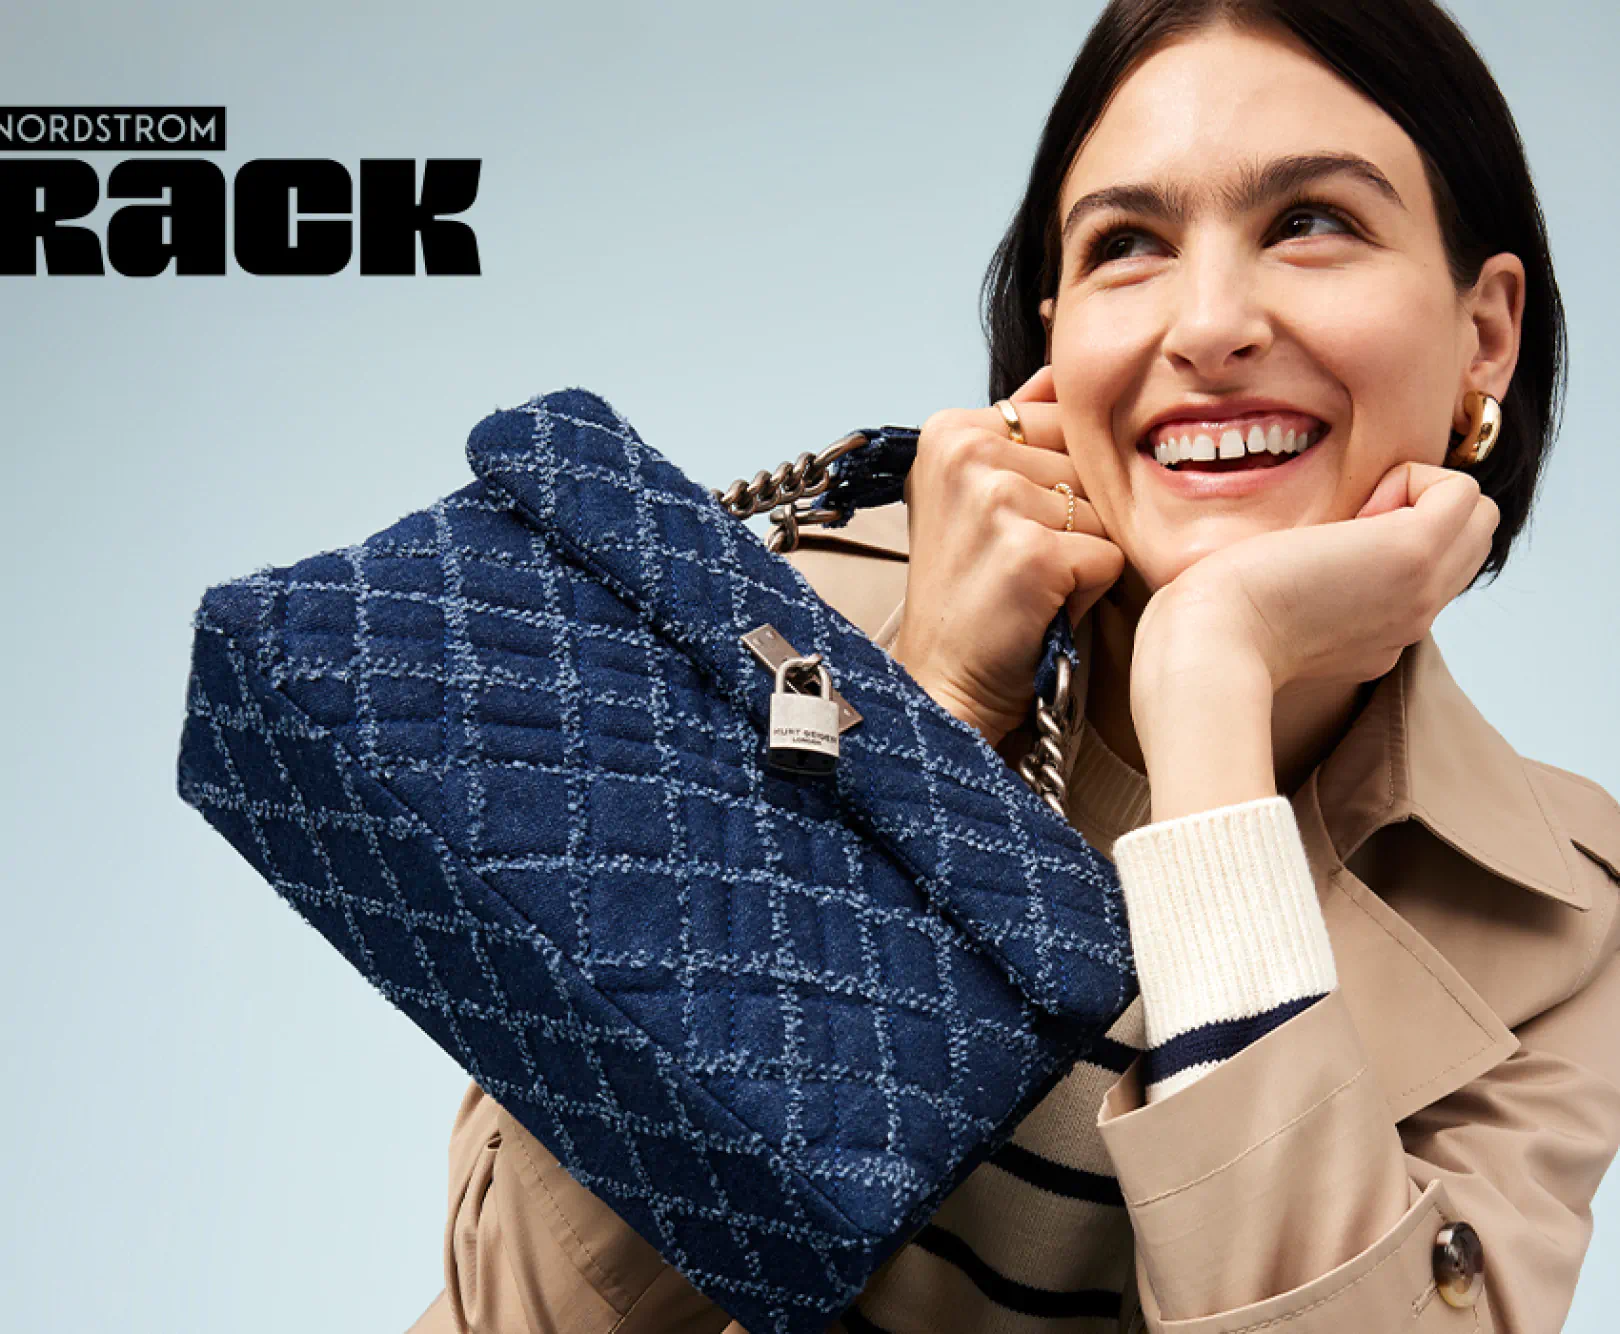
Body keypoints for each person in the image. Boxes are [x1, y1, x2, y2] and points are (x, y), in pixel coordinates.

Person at [406, 1, 1620, 1330]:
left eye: (1312, 222)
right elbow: (523, 1305)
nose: (1209, 324)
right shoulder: (792, 623)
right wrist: (928, 713)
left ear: (1485, 332)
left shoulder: (1560, 916)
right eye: (1128, 244)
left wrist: (1214, 679)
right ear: (1057, 341)